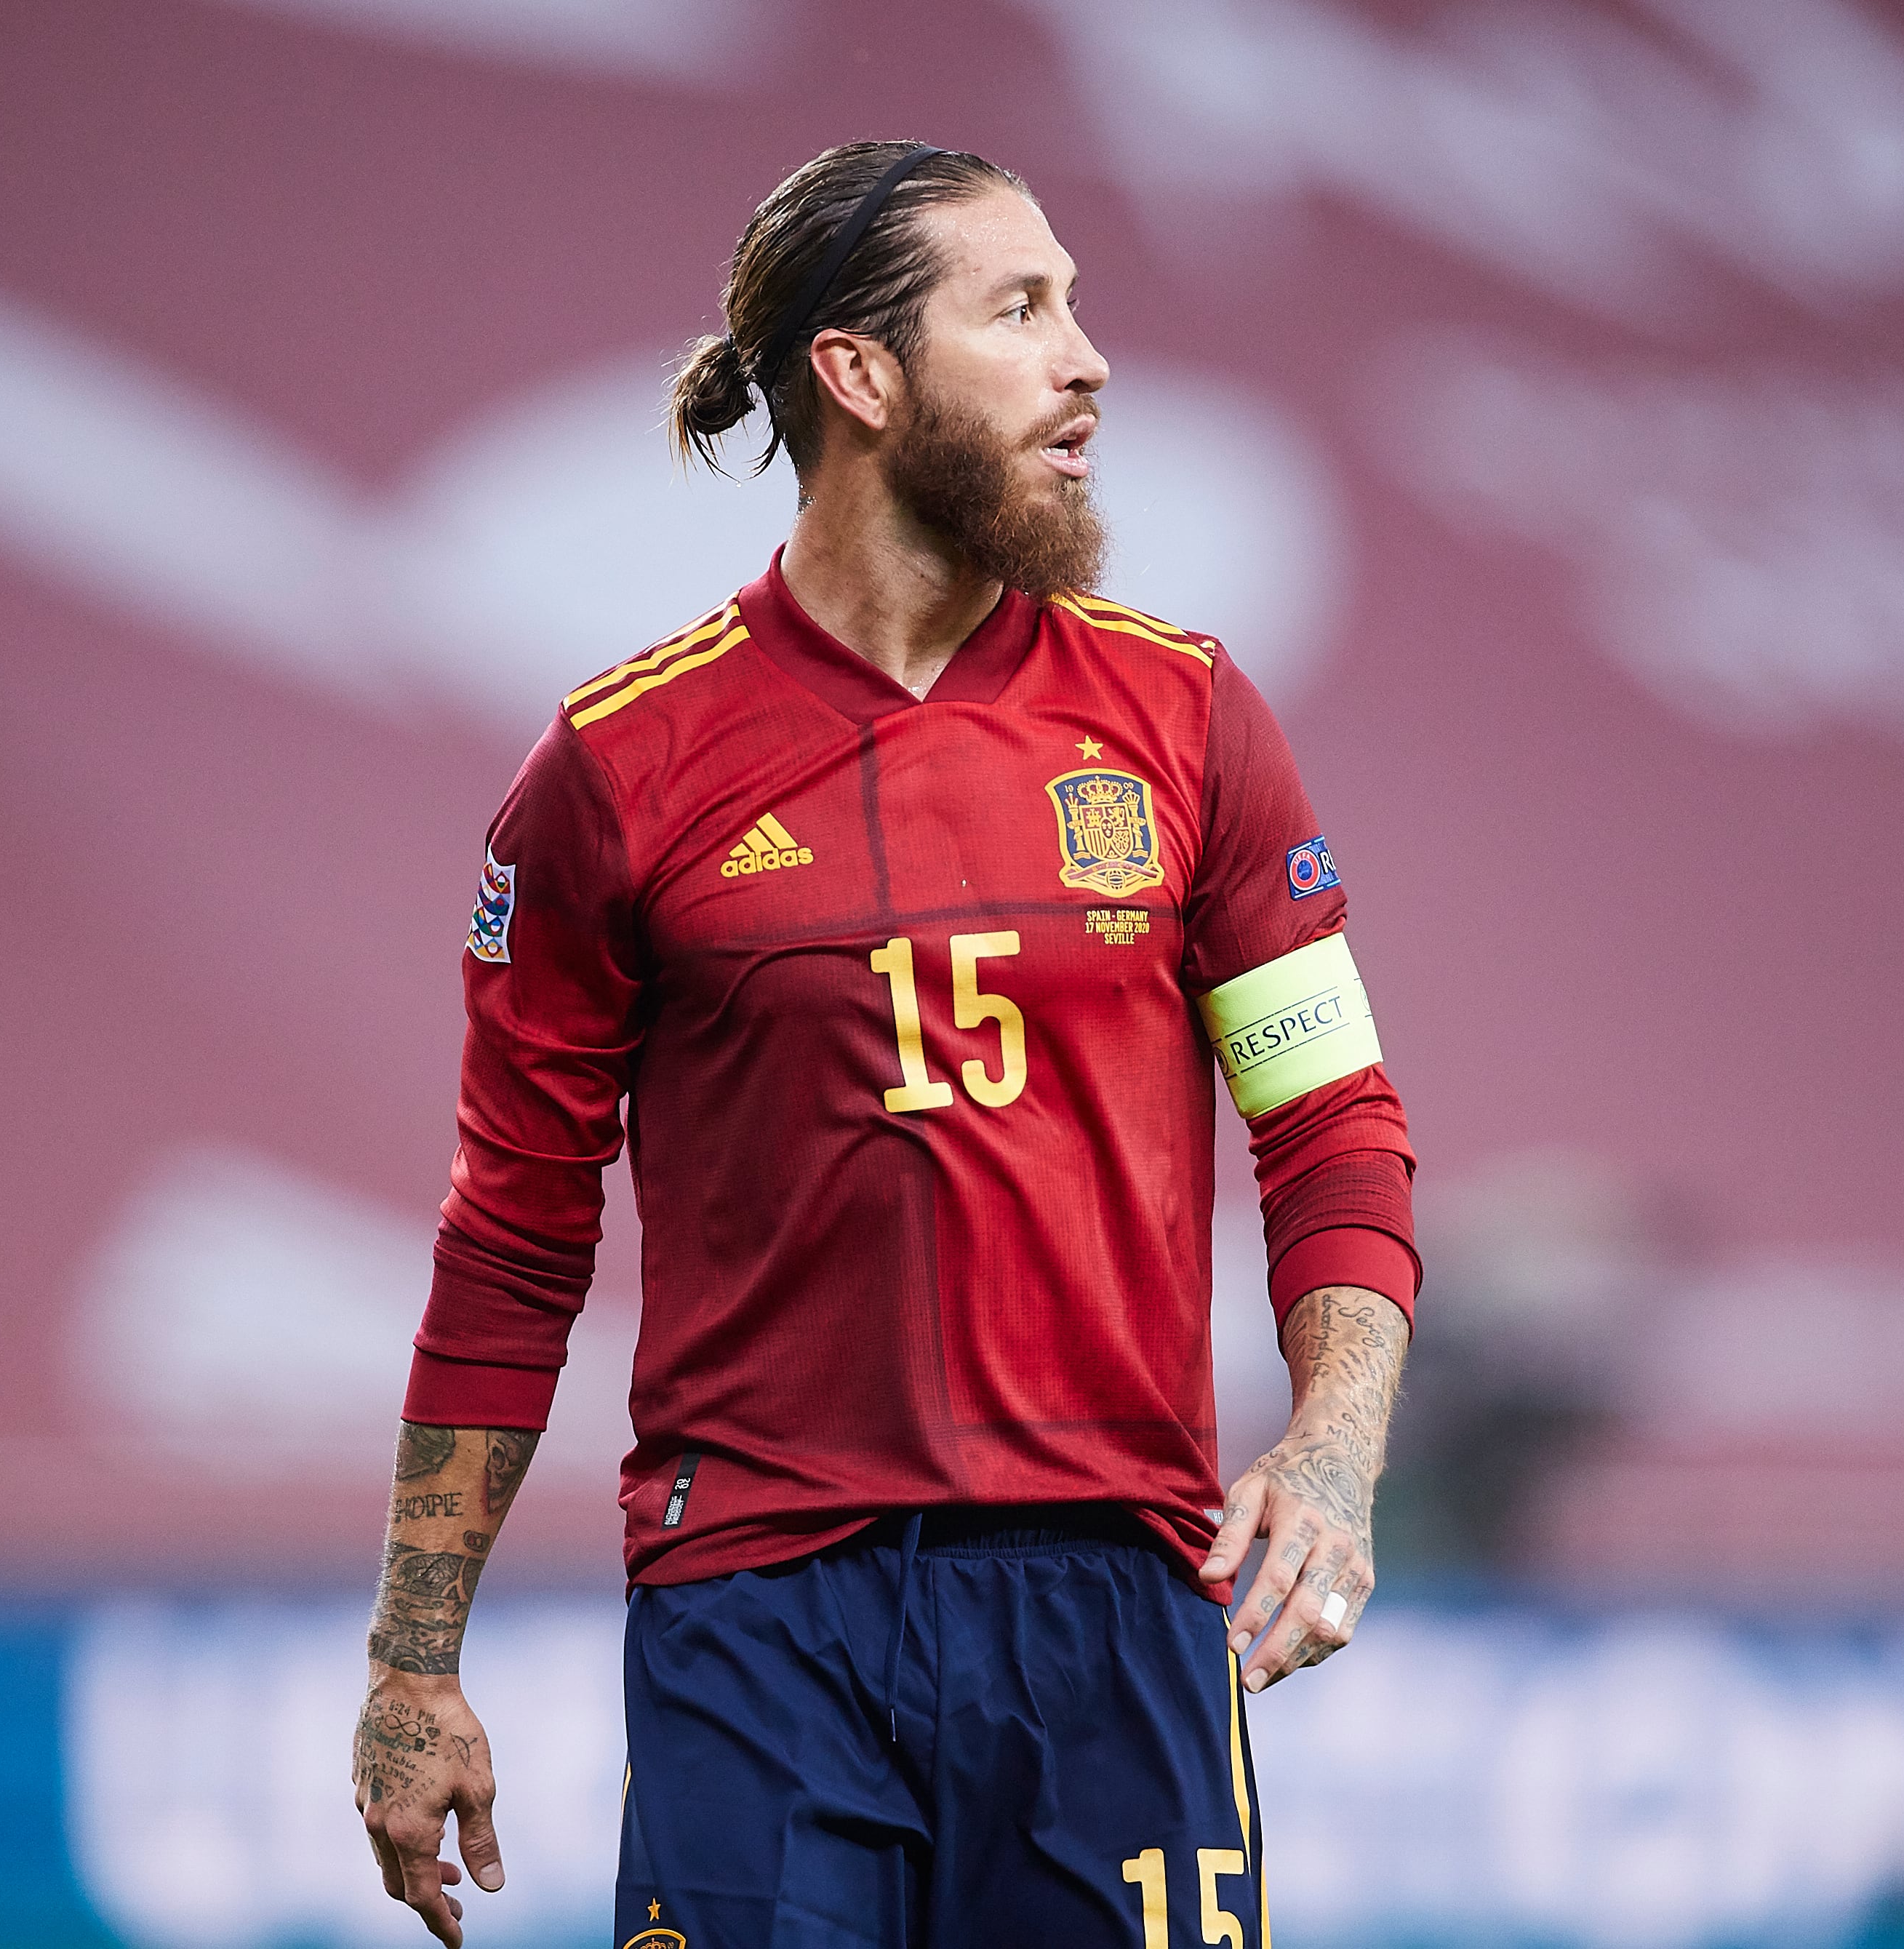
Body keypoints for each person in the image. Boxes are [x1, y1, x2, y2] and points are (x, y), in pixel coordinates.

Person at [350, 139, 1417, 1949]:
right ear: (857, 374)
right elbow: (511, 1240)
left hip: (1116, 1603)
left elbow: (1330, 1123)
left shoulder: (1188, 716)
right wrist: (410, 1664)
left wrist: (1328, 1451)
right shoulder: (617, 772)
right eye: (1020, 309)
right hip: (759, 1610)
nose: (1087, 358)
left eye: (1076, 303)